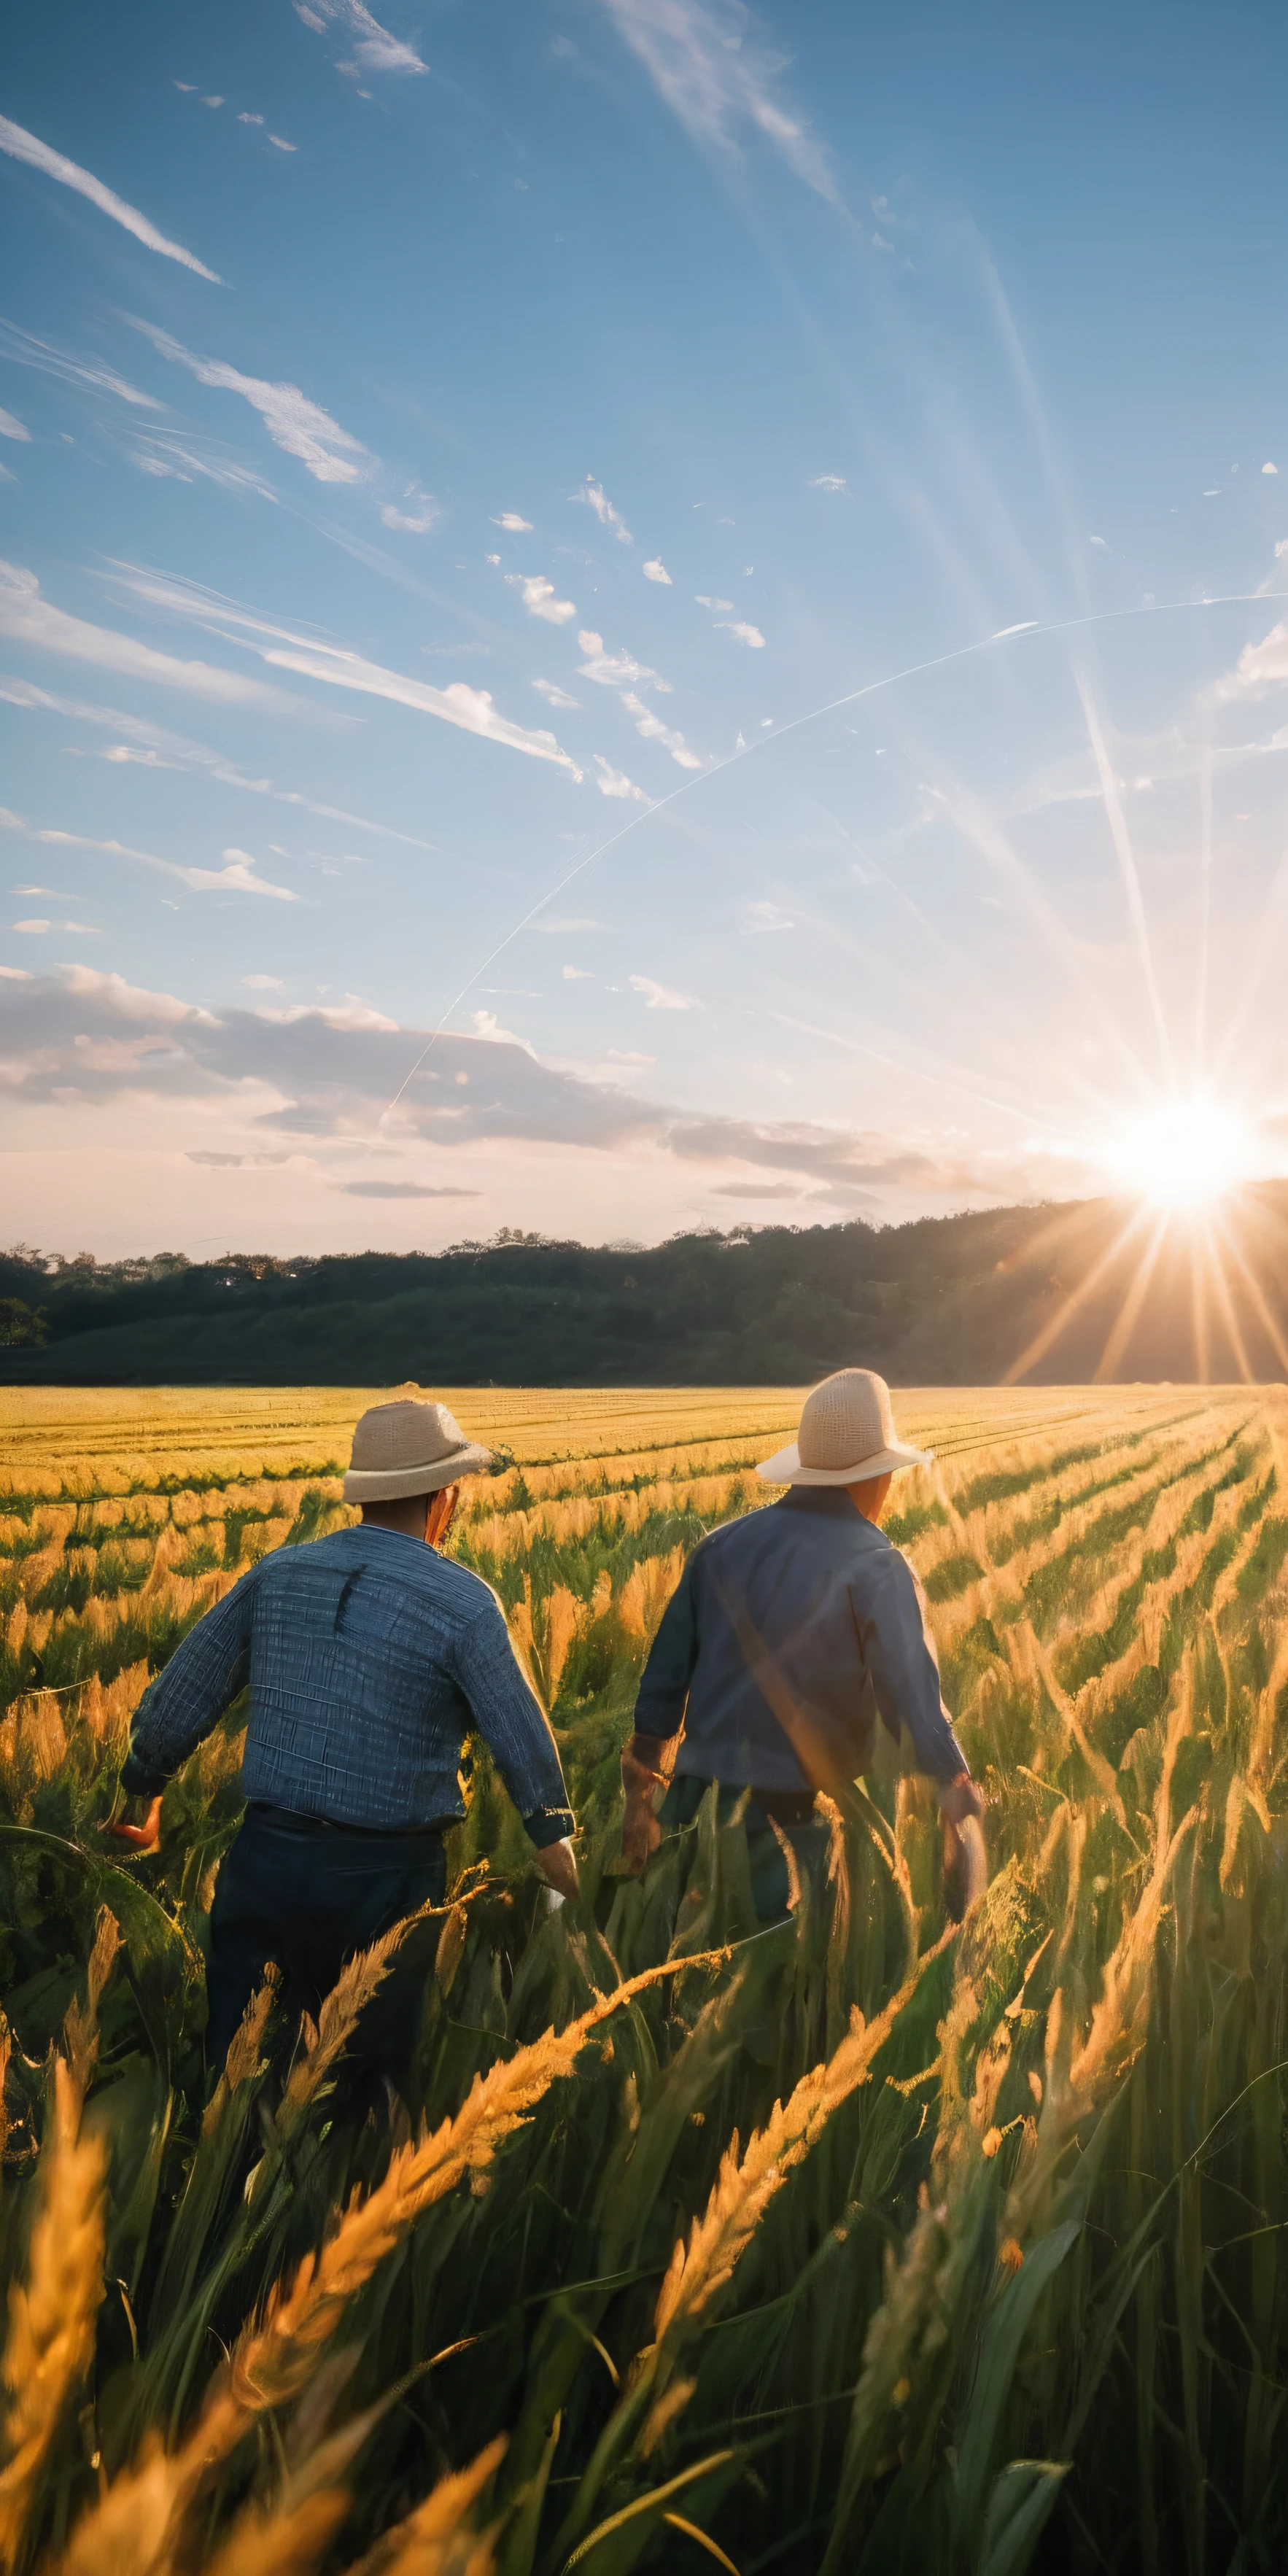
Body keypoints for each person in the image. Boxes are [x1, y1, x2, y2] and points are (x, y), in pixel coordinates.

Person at [112, 1397, 578, 2084]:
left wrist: (143, 1789)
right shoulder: (463, 1601)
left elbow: (185, 1690)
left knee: (238, 2076)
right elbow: (522, 1743)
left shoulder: (278, 1573)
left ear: (366, 1495)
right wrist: (561, 1858)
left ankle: (221, 2183)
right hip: (384, 1882)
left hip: (265, 1862)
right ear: (444, 1496)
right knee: (365, 2088)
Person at [619, 1367, 986, 1920]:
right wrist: (956, 1785)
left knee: (691, 1980)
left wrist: (640, 1800)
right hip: (795, 1826)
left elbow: (661, 1690)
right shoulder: (878, 1566)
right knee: (782, 1986)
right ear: (877, 1478)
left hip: (695, 1812)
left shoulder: (718, 1549)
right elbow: (913, 1705)